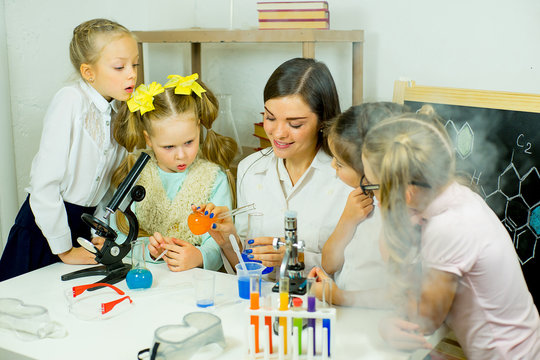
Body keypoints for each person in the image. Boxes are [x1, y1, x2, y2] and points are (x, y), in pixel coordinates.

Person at [361, 108, 540, 358]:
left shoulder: (448, 228)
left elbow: (424, 322)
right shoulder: (458, 197)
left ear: (407, 192)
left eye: (371, 186)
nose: (371, 194)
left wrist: (391, 247)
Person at [0, 19, 138, 281]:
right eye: (120, 67)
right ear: (89, 72)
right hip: (45, 228)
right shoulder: (70, 101)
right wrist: (63, 248)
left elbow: (108, 188)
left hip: (82, 229)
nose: (131, 74)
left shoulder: (120, 110)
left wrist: (99, 232)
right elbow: (44, 184)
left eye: (135, 64)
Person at [205, 57, 353, 274]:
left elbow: (359, 269)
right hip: (259, 302)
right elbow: (246, 268)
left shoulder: (346, 178)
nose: (279, 133)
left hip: (320, 303)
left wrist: (297, 257)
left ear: (323, 121)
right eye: (270, 117)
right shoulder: (251, 170)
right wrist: (229, 241)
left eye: (295, 124)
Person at [110, 74, 237, 272]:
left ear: (198, 128)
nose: (181, 156)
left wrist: (199, 256)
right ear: (149, 139)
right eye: (168, 147)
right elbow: (118, 236)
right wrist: (148, 251)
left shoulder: (214, 178)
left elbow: (220, 239)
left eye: (189, 142)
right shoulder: (136, 173)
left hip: (194, 281)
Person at [308, 103, 406, 307]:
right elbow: (329, 264)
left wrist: (336, 296)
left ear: (371, 170)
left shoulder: (404, 216)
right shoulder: (356, 197)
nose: (332, 166)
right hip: (347, 312)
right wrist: (347, 220)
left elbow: (403, 295)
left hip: (377, 320)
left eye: (340, 163)